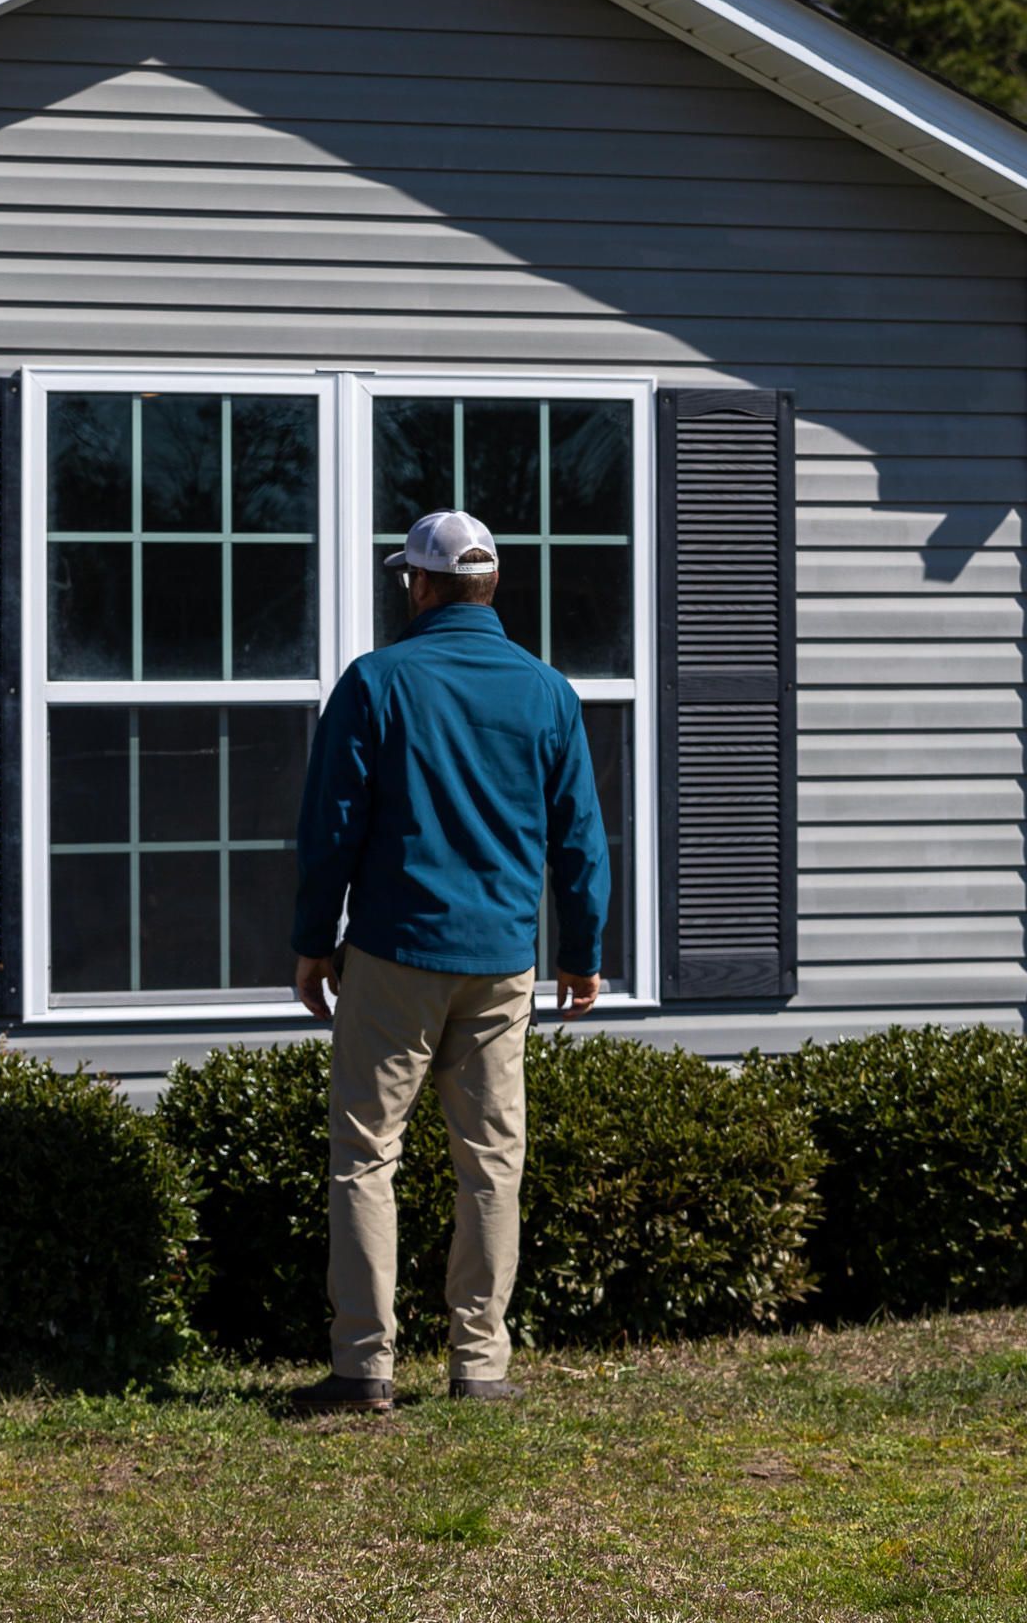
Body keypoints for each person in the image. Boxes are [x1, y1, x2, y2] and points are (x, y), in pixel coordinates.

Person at [287, 507, 611, 1415]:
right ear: (493, 585)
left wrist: (315, 941)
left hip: (394, 951)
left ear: (420, 586)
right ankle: (480, 1366)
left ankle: (363, 1368)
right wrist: (581, 955)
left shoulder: (377, 682)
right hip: (502, 958)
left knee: (363, 1156)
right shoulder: (547, 692)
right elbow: (580, 840)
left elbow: (331, 832)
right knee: (491, 1162)